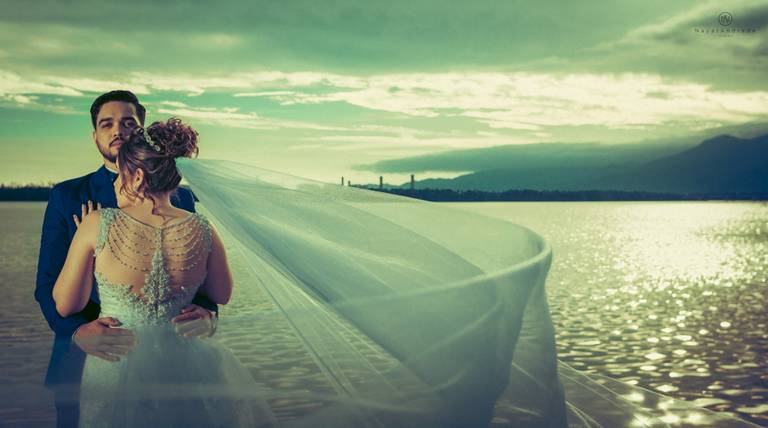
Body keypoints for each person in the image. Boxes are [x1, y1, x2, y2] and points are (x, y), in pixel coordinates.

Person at [51, 118, 275, 427]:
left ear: (138, 177)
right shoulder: (203, 227)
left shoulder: (98, 223)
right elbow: (222, 295)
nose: (116, 184)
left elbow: (66, 304)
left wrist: (83, 246)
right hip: (188, 363)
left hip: (117, 364)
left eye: (121, 175)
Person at [34, 90, 218, 427]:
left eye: (128, 123)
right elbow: (46, 284)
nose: (117, 130)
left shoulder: (182, 197)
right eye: (107, 124)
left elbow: (199, 275)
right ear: (95, 135)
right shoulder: (67, 195)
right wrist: (76, 332)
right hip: (85, 360)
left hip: (172, 364)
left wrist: (209, 314)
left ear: (143, 131)